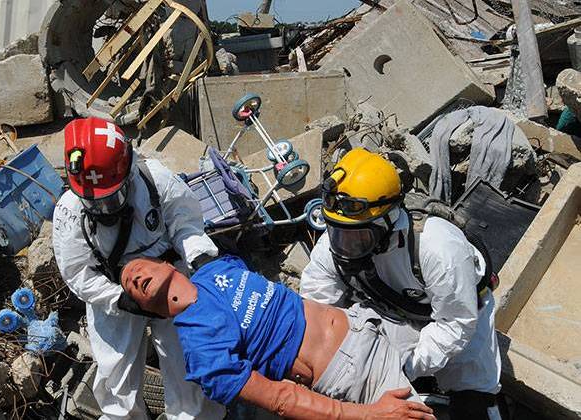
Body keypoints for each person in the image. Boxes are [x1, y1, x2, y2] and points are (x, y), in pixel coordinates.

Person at [300, 148, 502, 420]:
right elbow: (316, 311)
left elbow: (456, 324)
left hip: (459, 312)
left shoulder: (438, 248)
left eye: (358, 235)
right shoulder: (335, 247)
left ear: (388, 221)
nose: (344, 245)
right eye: (336, 231)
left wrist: (403, 366)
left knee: (474, 403)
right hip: (392, 309)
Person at [120, 254, 437, 420]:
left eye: (136, 268)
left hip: (367, 318)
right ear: (152, 311)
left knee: (475, 359)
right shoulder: (201, 351)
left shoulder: (217, 268)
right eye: (131, 286)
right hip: (357, 371)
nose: (134, 277)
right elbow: (281, 400)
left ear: (164, 263)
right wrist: (370, 416)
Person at [52, 117, 224, 420]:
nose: (104, 208)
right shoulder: (69, 211)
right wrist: (119, 299)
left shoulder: (155, 180)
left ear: (127, 169)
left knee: (187, 361)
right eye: (96, 201)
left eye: (112, 197)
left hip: (170, 280)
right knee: (116, 373)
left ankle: (193, 416)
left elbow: (187, 226)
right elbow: (78, 273)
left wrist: (201, 259)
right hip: (114, 291)